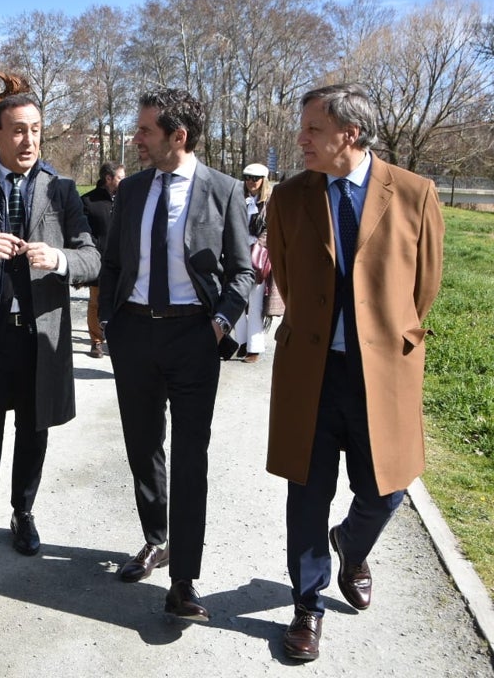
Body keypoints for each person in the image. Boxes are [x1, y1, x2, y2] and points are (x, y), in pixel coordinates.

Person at [266, 83, 443, 661]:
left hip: (383, 374)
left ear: (351, 133)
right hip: (311, 374)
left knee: (386, 488)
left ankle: (352, 543)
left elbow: (425, 286)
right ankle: (307, 605)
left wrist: (382, 336)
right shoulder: (289, 197)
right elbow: (288, 282)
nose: (302, 139)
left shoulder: (414, 193)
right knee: (307, 495)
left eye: (313, 130)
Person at [0, 93, 100, 602]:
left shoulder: (63, 190)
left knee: (34, 434)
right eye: (17, 130)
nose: (28, 140)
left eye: (35, 129)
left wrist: (59, 260)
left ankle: (23, 511)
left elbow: (93, 259)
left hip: (41, 339)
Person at [98, 88, 252, 622]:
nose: (135, 139)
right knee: (143, 447)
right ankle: (155, 539)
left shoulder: (225, 191)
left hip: (194, 337)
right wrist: (109, 325)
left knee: (190, 459)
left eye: (144, 131)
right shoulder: (133, 190)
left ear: (176, 136)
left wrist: (218, 326)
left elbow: (243, 271)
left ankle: (184, 580)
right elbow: (113, 262)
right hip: (135, 335)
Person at [80, 161, 124, 358]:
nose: (124, 181)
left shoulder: (127, 199)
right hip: (99, 261)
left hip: (124, 262)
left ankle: (117, 338)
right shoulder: (88, 201)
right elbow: (82, 232)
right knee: (96, 301)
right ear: (109, 178)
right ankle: (96, 341)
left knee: (122, 302)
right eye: (120, 177)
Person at [231, 163, 272, 363]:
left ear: (263, 180)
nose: (251, 182)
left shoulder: (270, 202)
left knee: (255, 303)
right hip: (237, 253)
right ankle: (242, 341)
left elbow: (271, 229)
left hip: (258, 256)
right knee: (236, 297)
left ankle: (254, 346)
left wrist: (258, 244)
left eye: (255, 178)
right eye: (247, 177)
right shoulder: (239, 198)